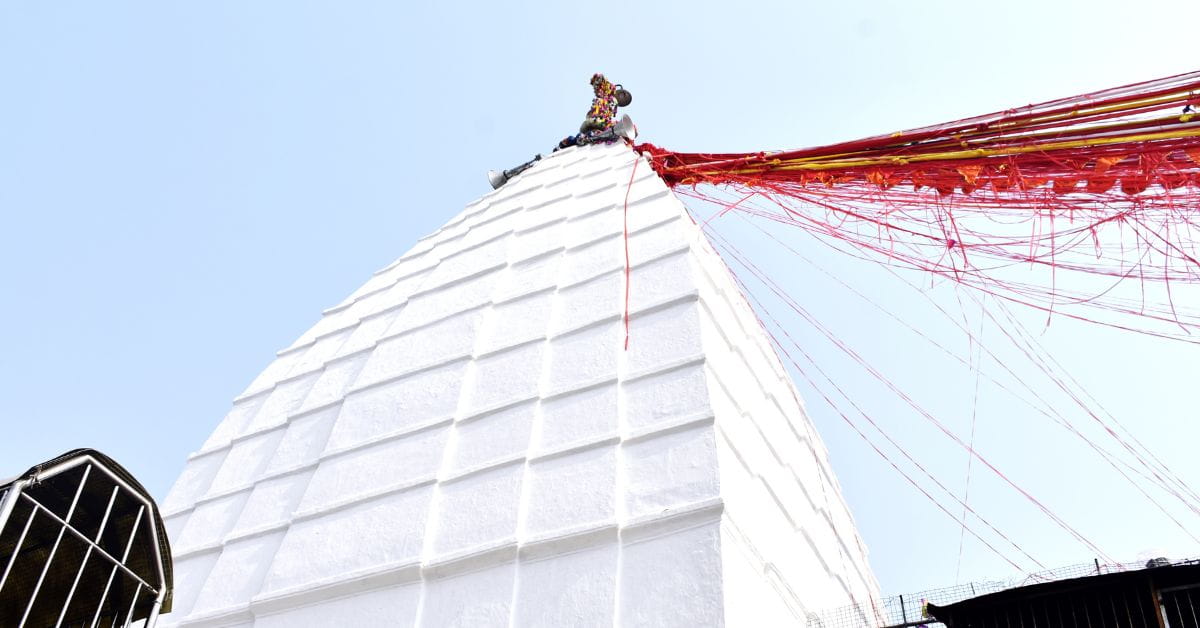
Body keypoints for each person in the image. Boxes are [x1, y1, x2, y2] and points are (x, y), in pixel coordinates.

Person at [557, 73, 633, 150]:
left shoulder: (612, 107)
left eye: (625, 96)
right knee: (596, 128)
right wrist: (606, 84)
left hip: (602, 122)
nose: (624, 95)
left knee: (607, 130)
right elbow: (598, 80)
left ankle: (593, 136)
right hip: (596, 120)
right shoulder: (608, 93)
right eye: (623, 93)